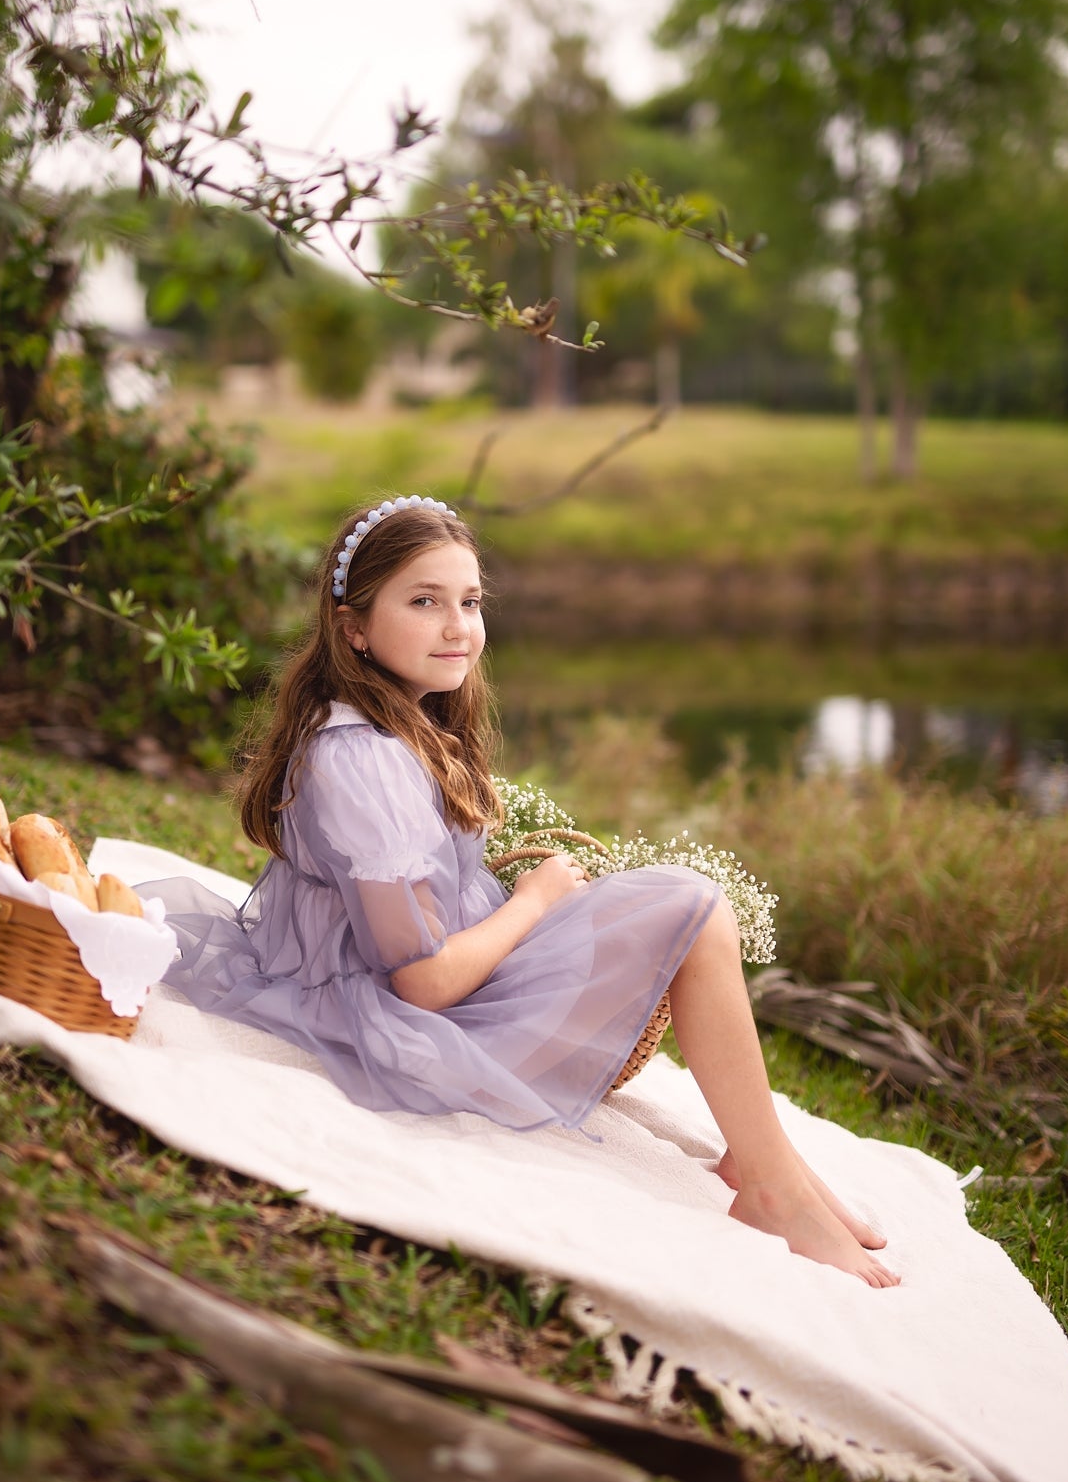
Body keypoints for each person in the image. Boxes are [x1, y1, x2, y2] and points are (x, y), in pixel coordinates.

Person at [143, 496, 896, 1287]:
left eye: (469, 602)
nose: (457, 626)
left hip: (431, 993)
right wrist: (534, 902)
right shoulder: (361, 761)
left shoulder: (398, 730)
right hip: (408, 1031)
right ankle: (773, 1188)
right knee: (694, 905)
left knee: (684, 903)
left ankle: (765, 1156)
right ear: (353, 627)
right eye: (424, 601)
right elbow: (423, 981)